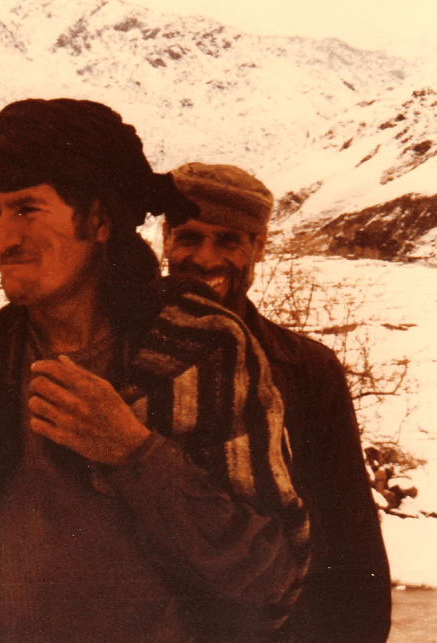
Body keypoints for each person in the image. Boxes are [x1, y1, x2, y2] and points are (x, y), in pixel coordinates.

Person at [0, 98, 311, 643]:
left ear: (100, 220)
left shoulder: (203, 350)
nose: (2, 240)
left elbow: (271, 572)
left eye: (27, 210)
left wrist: (134, 454)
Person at [163, 162, 391, 642]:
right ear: (165, 240)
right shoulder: (114, 355)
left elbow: (351, 532)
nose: (205, 259)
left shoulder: (307, 369)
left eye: (228, 240)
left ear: (259, 247)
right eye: (188, 237)